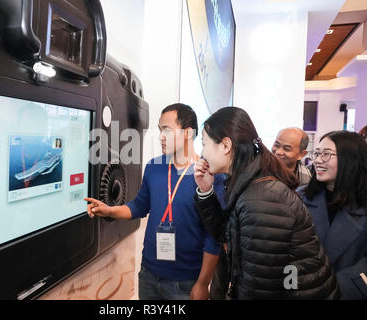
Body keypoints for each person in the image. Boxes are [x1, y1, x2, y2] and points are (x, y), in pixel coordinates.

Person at [193, 106, 340, 299]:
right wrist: (206, 191)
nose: (202, 153)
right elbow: (226, 234)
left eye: (204, 143)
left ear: (226, 146)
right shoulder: (246, 182)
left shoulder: (261, 199)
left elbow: (260, 289)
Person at [85, 103, 225, 300]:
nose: (160, 137)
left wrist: (203, 283)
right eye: (159, 130)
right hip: (149, 274)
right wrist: (110, 211)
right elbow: (139, 206)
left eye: (167, 130)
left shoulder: (209, 174)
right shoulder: (154, 167)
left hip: (185, 282)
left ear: (187, 133)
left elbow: (214, 236)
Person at [297, 131, 367, 299]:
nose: (318, 160)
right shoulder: (300, 198)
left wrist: (341, 287)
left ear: (350, 159)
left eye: (326, 154)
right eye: (317, 153)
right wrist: (290, 286)